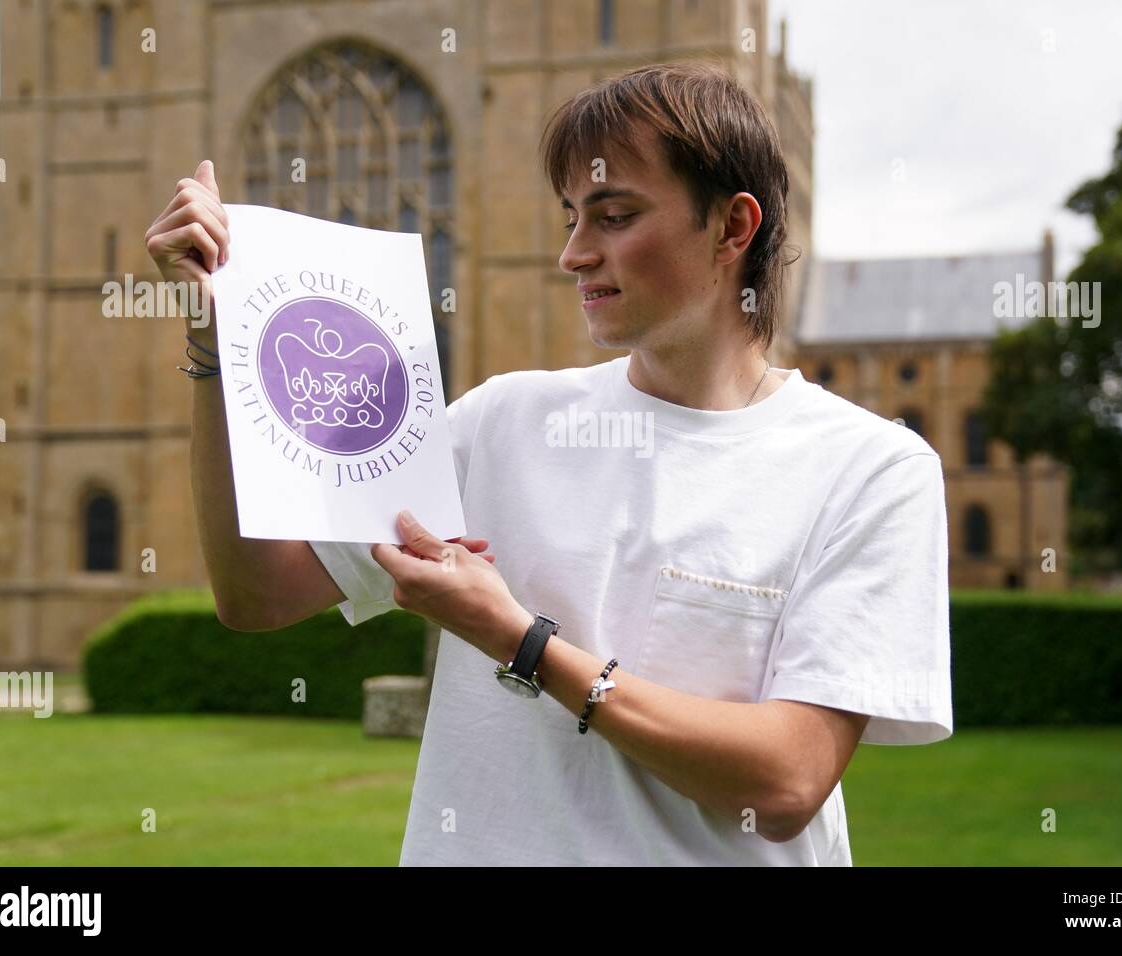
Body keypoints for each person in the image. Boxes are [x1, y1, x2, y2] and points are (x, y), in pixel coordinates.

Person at [146, 61, 952, 866]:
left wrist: (516, 638)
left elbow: (785, 782)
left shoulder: (873, 471)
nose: (574, 254)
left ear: (733, 228)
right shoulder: (500, 420)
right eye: (571, 217)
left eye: (614, 216)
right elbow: (257, 594)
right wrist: (217, 350)